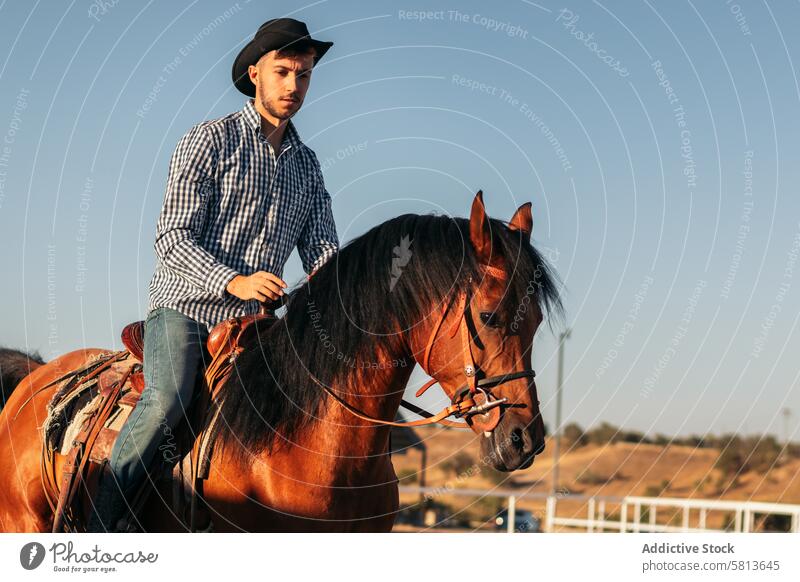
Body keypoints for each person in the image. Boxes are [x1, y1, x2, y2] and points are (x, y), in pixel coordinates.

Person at [88, 18, 339, 531]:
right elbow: (172, 239)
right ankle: (101, 527)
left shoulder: (308, 167)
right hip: (185, 310)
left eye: (305, 75)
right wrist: (236, 282)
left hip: (256, 326)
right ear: (255, 73)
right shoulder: (208, 142)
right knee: (170, 398)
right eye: (284, 72)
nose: (294, 86)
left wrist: (341, 290)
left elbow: (323, 250)